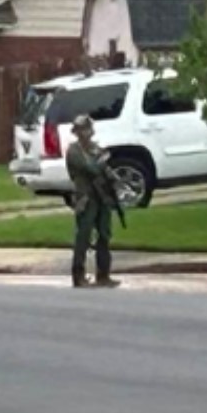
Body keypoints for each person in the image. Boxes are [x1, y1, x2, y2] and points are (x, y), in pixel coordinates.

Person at [65, 115, 120, 289]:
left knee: (104, 234)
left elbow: (106, 168)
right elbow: (91, 168)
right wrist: (101, 162)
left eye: (87, 128)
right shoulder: (74, 151)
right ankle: (78, 275)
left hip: (102, 196)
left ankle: (103, 274)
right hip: (85, 197)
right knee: (83, 236)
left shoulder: (96, 148)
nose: (84, 132)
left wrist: (113, 177)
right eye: (81, 129)